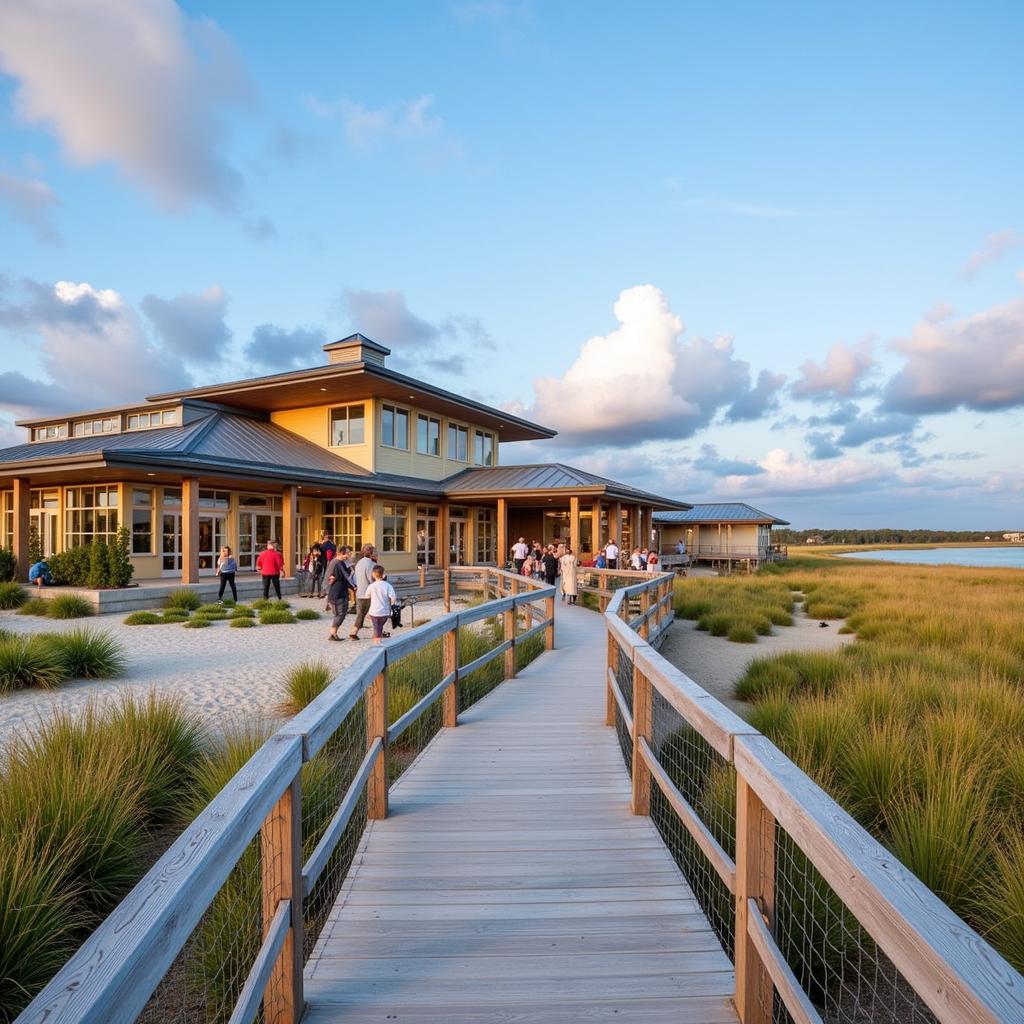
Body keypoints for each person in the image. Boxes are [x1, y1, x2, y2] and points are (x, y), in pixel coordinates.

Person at [325, 544, 355, 641]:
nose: (349, 555)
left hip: (335, 592)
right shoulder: (339, 563)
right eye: (348, 553)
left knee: (339, 614)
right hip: (338, 593)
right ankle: (333, 634)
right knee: (340, 614)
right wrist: (353, 584)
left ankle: (334, 633)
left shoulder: (334, 562)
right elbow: (347, 577)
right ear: (342, 553)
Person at [349, 544, 377, 640]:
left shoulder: (359, 563)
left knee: (361, 613)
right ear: (372, 553)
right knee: (376, 613)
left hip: (359, 592)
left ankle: (354, 631)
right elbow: (372, 579)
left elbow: (354, 578)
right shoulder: (371, 564)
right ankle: (377, 632)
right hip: (368, 593)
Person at [365, 565, 397, 645]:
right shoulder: (388, 586)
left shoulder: (371, 586)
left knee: (376, 626)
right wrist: (392, 606)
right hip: (385, 611)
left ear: (373, 574)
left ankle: (377, 641)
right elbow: (393, 597)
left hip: (374, 611)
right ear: (383, 574)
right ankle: (378, 637)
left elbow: (367, 596)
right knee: (380, 626)